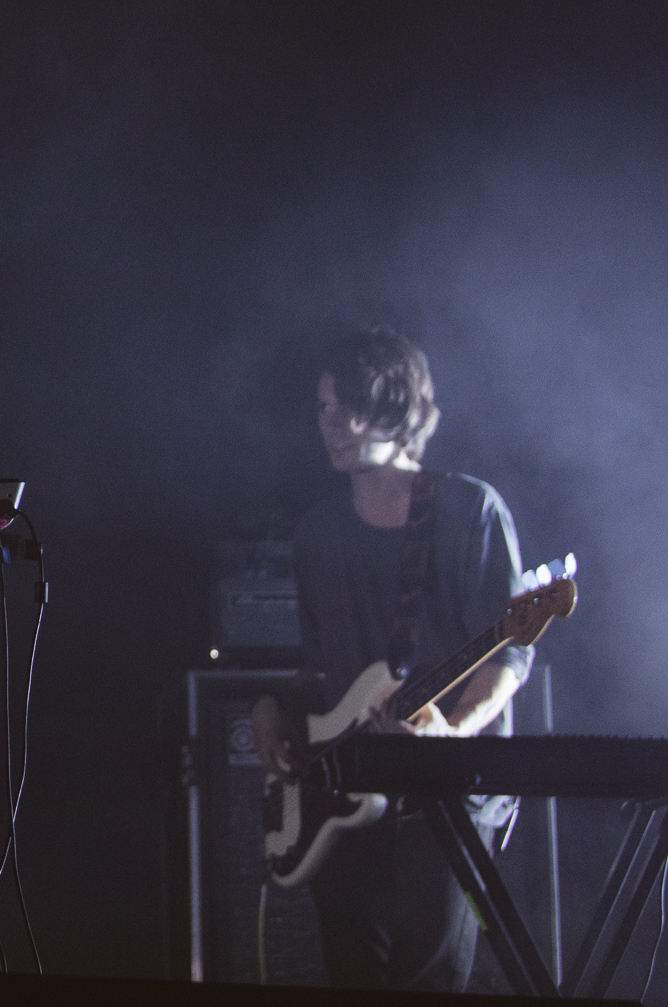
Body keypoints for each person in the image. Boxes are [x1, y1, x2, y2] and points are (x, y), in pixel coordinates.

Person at [251, 327, 529, 992]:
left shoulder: (468, 509)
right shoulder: (317, 532)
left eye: (353, 406)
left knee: (429, 982)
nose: (335, 424)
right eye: (325, 406)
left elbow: (508, 654)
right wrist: (272, 707)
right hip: (343, 793)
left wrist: (452, 731)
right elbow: (321, 671)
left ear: (399, 408)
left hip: (447, 796)